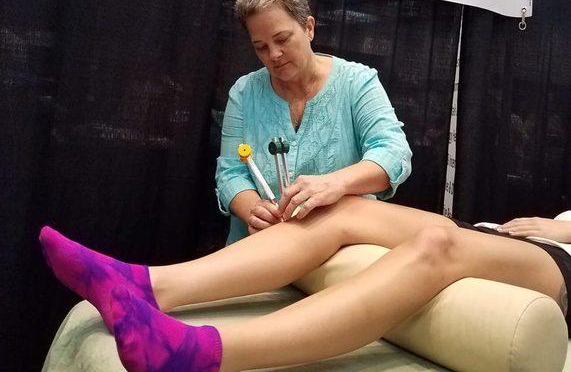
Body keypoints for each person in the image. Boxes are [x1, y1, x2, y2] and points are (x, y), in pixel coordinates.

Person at [40, 196, 571, 372]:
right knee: (340, 209)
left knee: (438, 246)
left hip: (559, 260)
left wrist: (561, 227)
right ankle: (145, 284)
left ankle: (193, 352)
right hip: (504, 234)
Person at [215, 0, 412, 244]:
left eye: (282, 39)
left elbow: (394, 154)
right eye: (260, 47)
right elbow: (230, 174)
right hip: (261, 245)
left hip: (340, 248)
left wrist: (336, 183)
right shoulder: (244, 92)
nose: (273, 55)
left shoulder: (357, 82)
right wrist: (254, 211)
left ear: (308, 27)